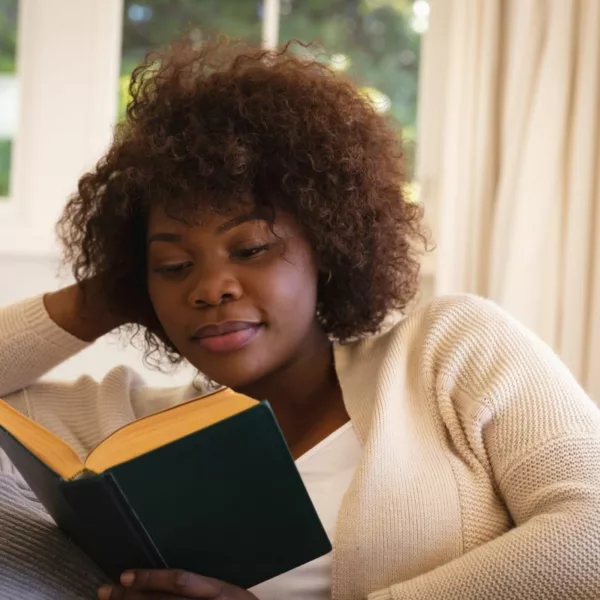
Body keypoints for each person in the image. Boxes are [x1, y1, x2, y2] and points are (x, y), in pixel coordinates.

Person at [1, 37, 600, 600]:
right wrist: (102, 297)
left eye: (252, 249)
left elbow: (591, 535)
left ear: (328, 245)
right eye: (176, 264)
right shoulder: (126, 427)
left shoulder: (449, 351)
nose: (212, 288)